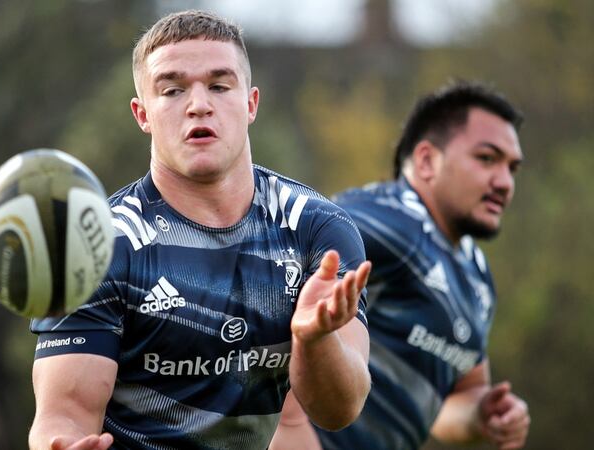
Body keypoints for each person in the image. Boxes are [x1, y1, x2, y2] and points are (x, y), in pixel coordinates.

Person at [28, 9, 373, 450]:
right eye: (172, 90)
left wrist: (314, 338)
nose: (198, 104)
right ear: (143, 114)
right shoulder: (96, 247)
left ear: (250, 103)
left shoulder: (317, 230)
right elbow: (64, 415)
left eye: (218, 85)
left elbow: (339, 411)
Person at [270, 81, 531, 450]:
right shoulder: (389, 221)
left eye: (512, 168)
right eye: (486, 158)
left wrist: (483, 414)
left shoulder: (477, 277)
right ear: (426, 161)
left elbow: (457, 400)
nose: (504, 182)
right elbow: (276, 259)